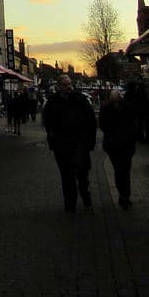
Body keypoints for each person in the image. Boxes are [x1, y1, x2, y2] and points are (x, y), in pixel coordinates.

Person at [42, 74, 97, 212]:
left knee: (82, 172)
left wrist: (90, 141)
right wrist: (52, 139)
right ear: (59, 86)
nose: (68, 87)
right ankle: (70, 203)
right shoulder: (53, 102)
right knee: (66, 175)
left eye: (69, 84)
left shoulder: (80, 99)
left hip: (80, 143)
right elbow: (47, 122)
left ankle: (85, 196)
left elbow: (91, 120)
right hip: (61, 145)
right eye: (65, 85)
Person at [99, 88, 137, 210]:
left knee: (124, 170)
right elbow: (103, 125)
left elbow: (132, 125)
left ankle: (124, 194)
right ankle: (123, 194)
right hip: (114, 145)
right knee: (120, 170)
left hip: (124, 145)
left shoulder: (126, 108)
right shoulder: (108, 109)